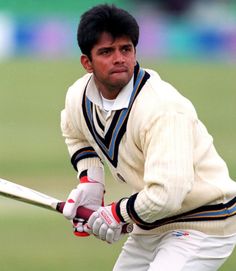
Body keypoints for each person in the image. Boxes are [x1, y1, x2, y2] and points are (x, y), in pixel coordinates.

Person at [60, 4, 236, 271]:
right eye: (106, 52)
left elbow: (168, 193)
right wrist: (91, 182)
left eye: (126, 49)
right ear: (87, 62)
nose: (119, 58)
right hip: (152, 222)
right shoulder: (78, 97)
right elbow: (75, 134)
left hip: (204, 221)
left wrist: (117, 215)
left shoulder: (163, 108)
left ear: (135, 52)